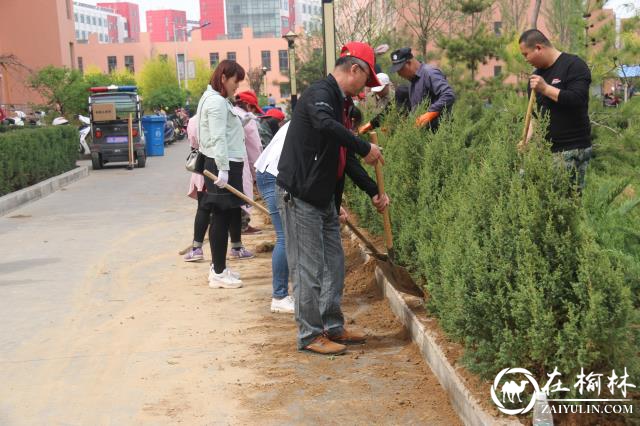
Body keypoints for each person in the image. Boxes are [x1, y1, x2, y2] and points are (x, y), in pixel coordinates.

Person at [276, 41, 389, 356]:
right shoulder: (320, 95)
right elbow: (327, 129)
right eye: (364, 81)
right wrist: (364, 145)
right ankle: (310, 335)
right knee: (309, 268)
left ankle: (332, 326)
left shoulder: (341, 104)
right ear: (354, 69)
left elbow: (345, 157)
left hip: (323, 197)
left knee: (334, 264)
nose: (364, 90)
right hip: (300, 195)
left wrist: (373, 190)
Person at [518, 29, 592, 191]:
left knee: (564, 205)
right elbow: (536, 116)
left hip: (571, 149)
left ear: (538, 48)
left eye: (526, 54)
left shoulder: (574, 65)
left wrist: (545, 88)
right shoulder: (535, 78)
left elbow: (577, 99)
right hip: (545, 151)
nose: (526, 60)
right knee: (530, 192)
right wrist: (526, 139)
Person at [196, 59, 247, 288]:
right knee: (221, 216)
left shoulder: (216, 99)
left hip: (221, 163)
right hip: (221, 165)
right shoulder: (216, 102)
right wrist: (223, 168)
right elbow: (217, 137)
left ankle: (219, 266)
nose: (237, 87)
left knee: (223, 217)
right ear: (224, 77)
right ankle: (217, 272)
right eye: (236, 82)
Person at [182, 115, 253, 263]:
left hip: (207, 167)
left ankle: (197, 249)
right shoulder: (229, 116)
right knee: (230, 208)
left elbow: (194, 141)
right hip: (223, 168)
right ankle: (236, 248)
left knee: (204, 208)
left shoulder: (195, 119)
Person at [254, 121, 295, 314]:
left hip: (270, 171)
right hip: (274, 175)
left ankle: (288, 292)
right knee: (285, 237)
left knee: (288, 235)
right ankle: (279, 296)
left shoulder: (306, 115)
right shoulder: (317, 119)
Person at [389, 47, 455, 130]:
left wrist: (431, 113)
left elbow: (448, 95)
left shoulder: (430, 73)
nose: (399, 74)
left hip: (440, 133)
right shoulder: (413, 81)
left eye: (400, 70)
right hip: (424, 135)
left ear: (408, 63)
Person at [234, 90, 264, 238]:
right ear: (246, 105)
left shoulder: (230, 112)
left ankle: (234, 227)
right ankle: (242, 226)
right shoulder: (247, 119)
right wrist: (257, 172)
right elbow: (255, 148)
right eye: (252, 107)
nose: (253, 111)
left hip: (223, 164)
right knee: (243, 195)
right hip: (241, 163)